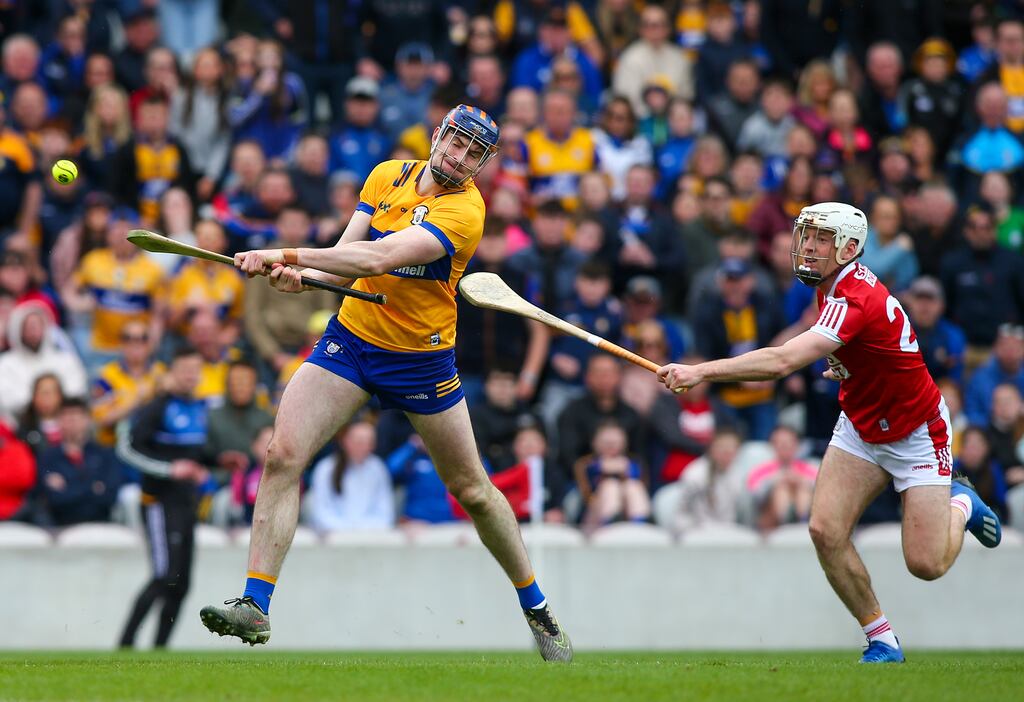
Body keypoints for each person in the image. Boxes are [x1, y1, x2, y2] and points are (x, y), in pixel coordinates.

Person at [199, 104, 572, 661]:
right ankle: (255, 605)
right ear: (439, 134)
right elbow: (346, 257)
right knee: (282, 455)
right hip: (350, 342)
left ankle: (536, 607)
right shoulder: (386, 174)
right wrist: (304, 279)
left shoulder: (466, 212)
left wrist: (284, 251)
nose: (460, 156)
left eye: (475, 152)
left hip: (420, 360)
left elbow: (380, 255)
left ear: (484, 163)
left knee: (471, 489)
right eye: (456, 142)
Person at [658, 201, 1004, 663]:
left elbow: (781, 362)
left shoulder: (855, 297)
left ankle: (960, 504)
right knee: (825, 530)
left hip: (916, 431)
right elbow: (865, 349)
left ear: (850, 247)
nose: (808, 246)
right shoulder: (829, 287)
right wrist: (847, 368)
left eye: (822, 238)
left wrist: (701, 372)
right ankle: (881, 638)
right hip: (862, 425)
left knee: (927, 564)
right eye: (807, 235)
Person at [117, 346, 211, 649]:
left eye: (195, 371)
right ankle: (126, 643)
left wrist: (220, 462)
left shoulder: (198, 408)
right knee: (163, 575)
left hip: (187, 504)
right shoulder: (157, 407)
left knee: (181, 583)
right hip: (158, 502)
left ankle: (160, 649)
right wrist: (170, 470)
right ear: (171, 373)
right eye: (185, 370)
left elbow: (196, 456)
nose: (190, 377)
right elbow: (129, 448)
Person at [35, 397, 123, 527]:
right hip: (61, 527)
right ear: (58, 421)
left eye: (76, 416)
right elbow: (55, 500)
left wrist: (69, 487)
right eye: (66, 416)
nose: (71, 421)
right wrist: (92, 487)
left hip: (101, 525)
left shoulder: (105, 454)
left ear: (88, 420)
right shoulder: (48, 457)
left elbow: (110, 497)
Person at [306, 421, 395, 532]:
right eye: (360, 442)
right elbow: (320, 512)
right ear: (345, 441)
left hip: (370, 537)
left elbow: (385, 512)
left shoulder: (378, 468)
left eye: (370, 442)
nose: (366, 447)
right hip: (333, 537)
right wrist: (346, 530)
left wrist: (361, 530)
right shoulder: (326, 468)